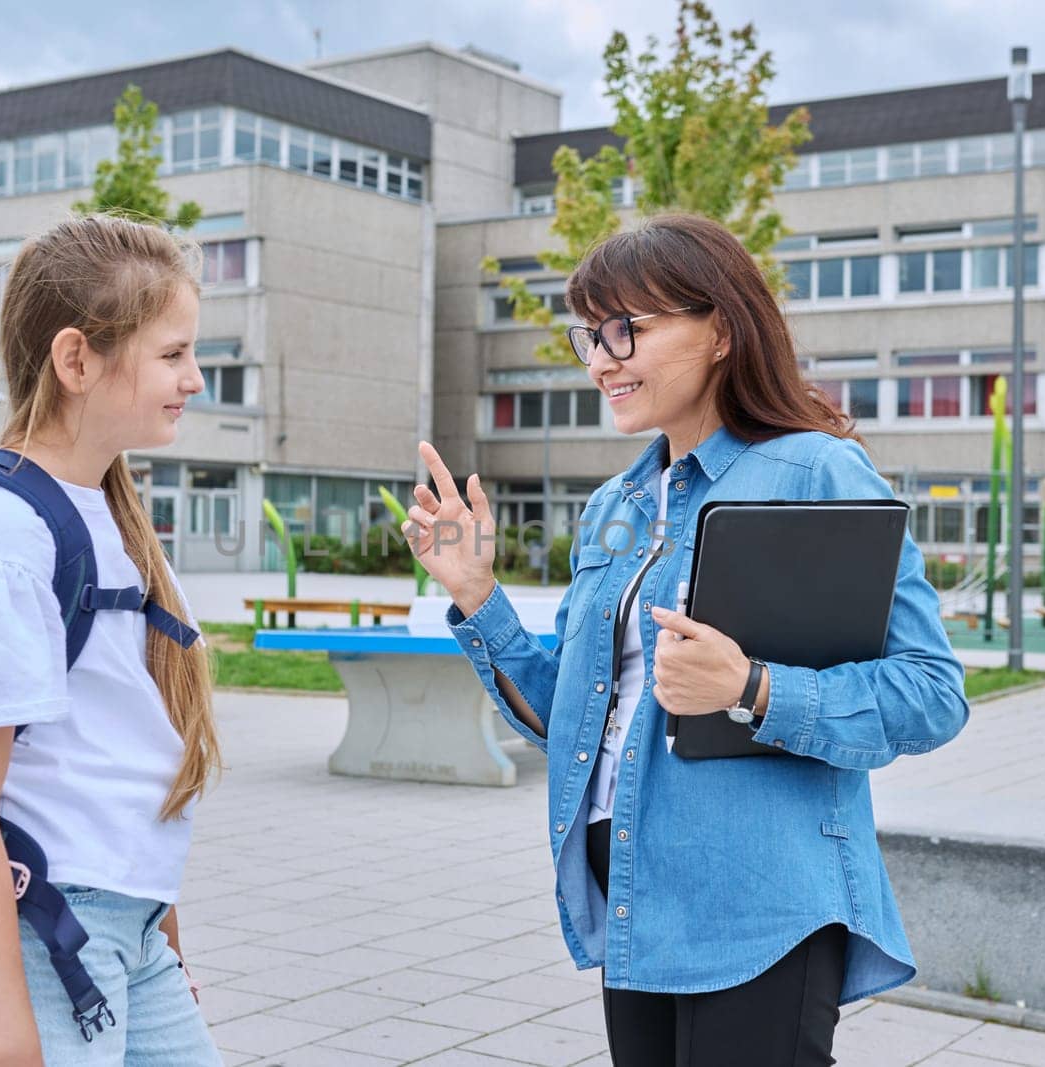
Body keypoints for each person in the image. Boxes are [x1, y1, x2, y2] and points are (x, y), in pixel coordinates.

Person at [404, 214, 969, 1066]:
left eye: (627, 328)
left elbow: (931, 693)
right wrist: (478, 595)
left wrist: (752, 687)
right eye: (589, 335)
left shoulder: (815, 470)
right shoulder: (614, 509)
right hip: (630, 889)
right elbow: (573, 717)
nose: (602, 359)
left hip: (757, 902)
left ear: (722, 331)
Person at [0, 215, 224, 1065]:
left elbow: (123, 749)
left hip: (121, 934)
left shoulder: (107, 516)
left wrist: (161, 938)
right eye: (172, 354)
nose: (196, 379)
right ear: (77, 361)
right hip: (32, 938)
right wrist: (11, 1051)